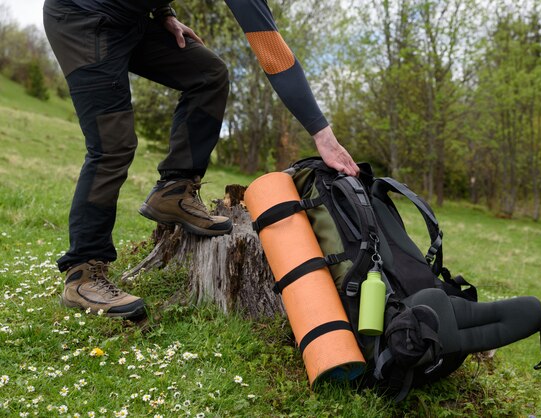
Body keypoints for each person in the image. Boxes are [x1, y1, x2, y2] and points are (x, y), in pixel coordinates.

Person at [43, 0, 360, 320]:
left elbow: (271, 45)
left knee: (208, 74)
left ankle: (174, 192)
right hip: (82, 19)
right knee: (112, 145)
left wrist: (165, 14)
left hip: (130, 20)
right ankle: (82, 274)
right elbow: (274, 56)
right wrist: (322, 135)